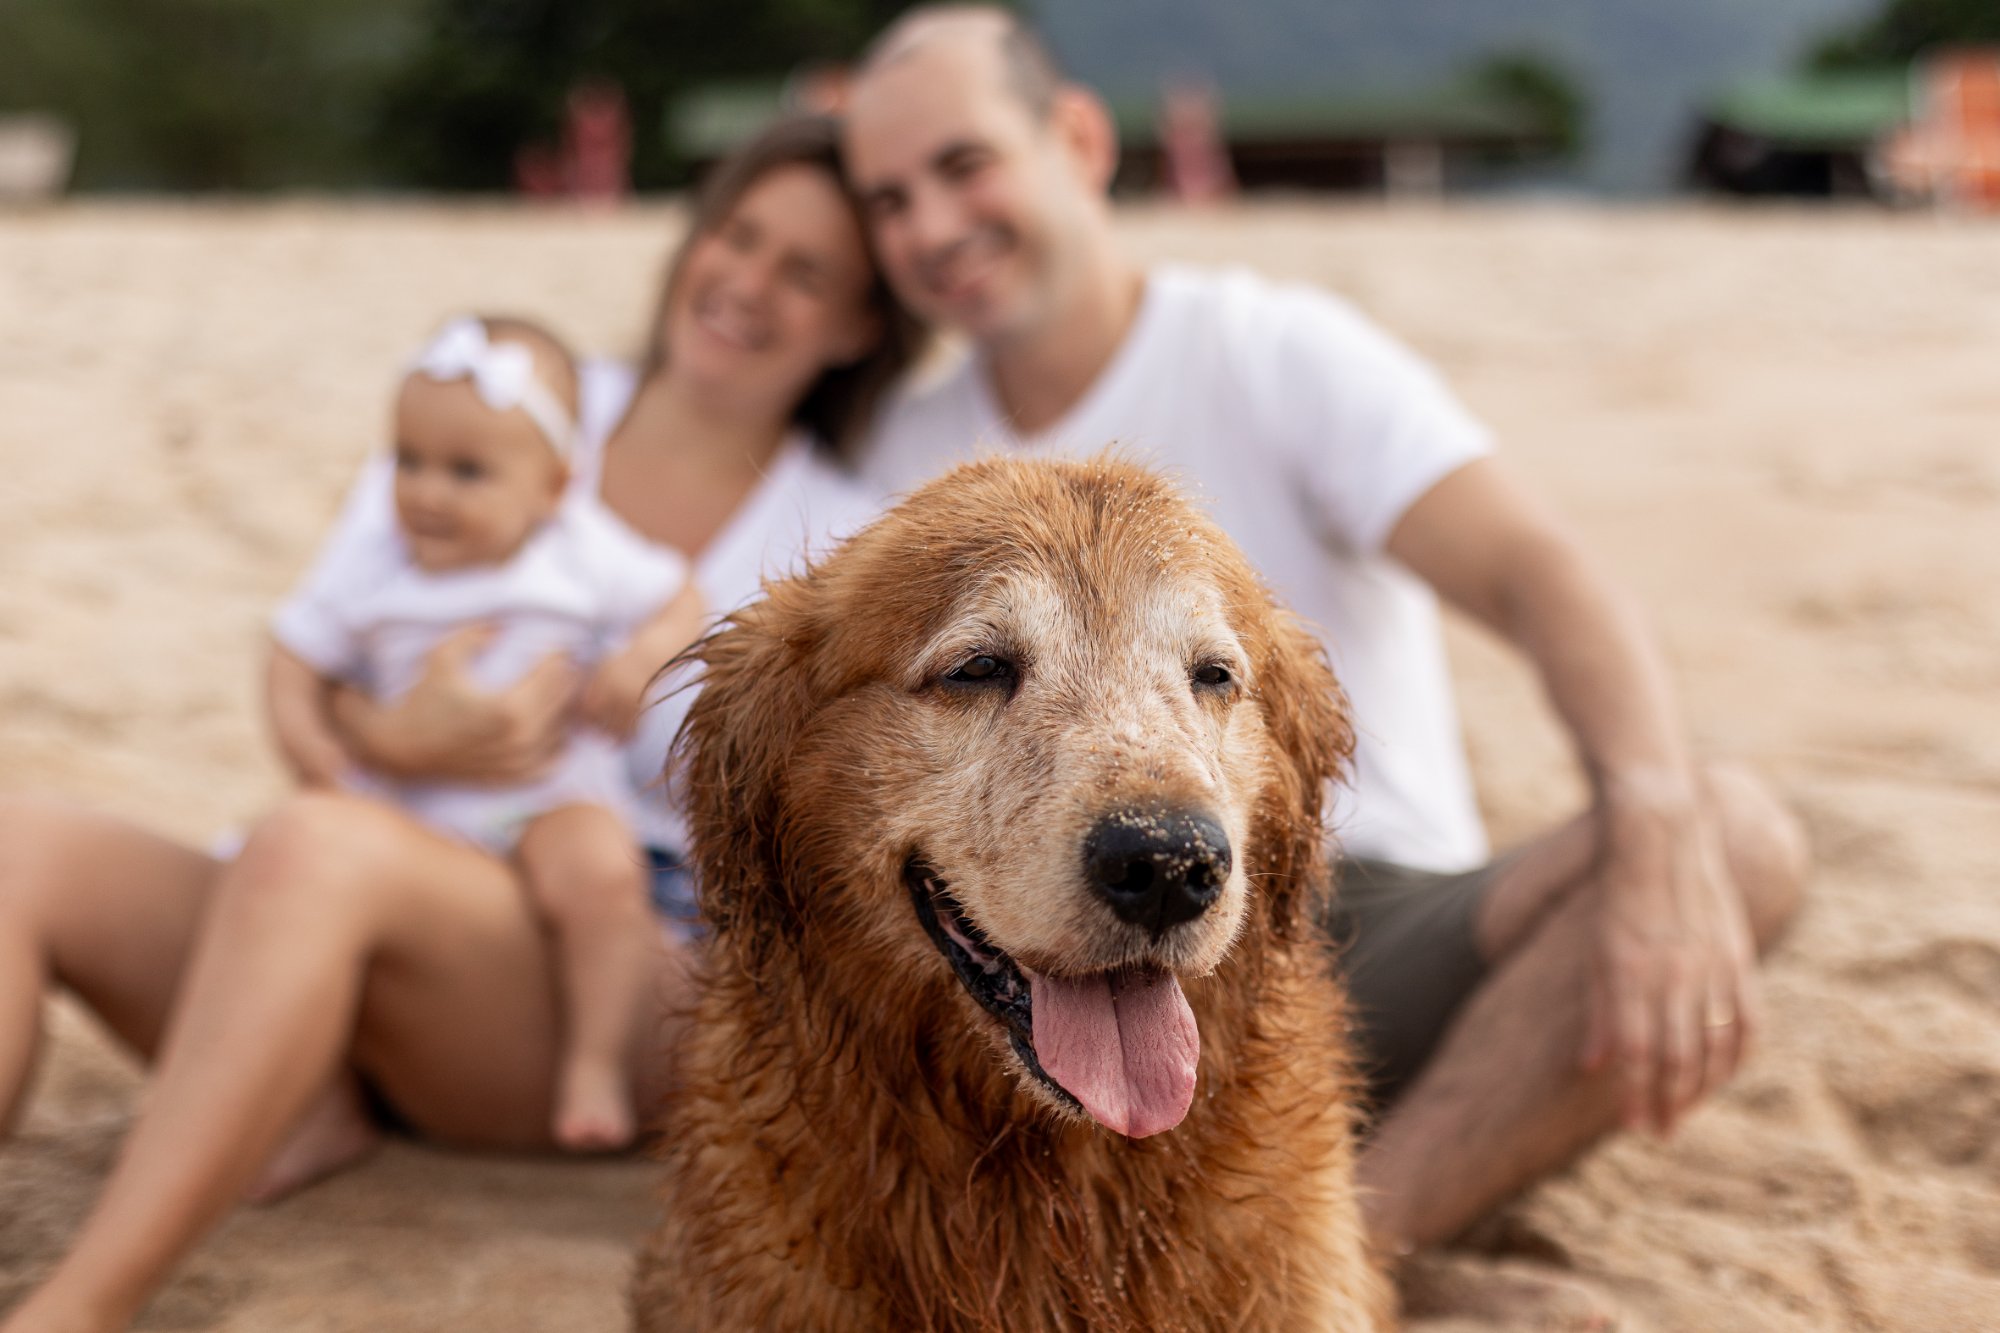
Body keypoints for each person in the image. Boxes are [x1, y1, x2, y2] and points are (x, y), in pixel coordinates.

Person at [839, 5, 1811, 1266]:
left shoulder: (1269, 350)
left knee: (1736, 838)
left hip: (1355, 913)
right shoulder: (899, 463)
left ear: (1076, 138)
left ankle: (1335, 1261)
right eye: (888, 199)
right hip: (1018, 915)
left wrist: (1654, 823)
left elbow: (1539, 574)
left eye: (962, 165)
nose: (928, 226)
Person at [0, 114, 919, 1333]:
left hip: (605, 953)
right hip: (347, 888)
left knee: (315, 848)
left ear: (858, 325)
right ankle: (302, 1091)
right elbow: (329, 640)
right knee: (24, 844)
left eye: (804, 273)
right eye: (736, 235)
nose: (746, 283)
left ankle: (75, 1310)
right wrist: (390, 739)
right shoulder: (507, 392)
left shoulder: (845, 539)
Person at [267, 313, 701, 1152]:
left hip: (547, 797)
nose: (427, 491)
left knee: (605, 884)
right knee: (312, 919)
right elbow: (293, 653)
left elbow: (679, 592)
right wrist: (313, 749)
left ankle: (592, 1060)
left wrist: (640, 656)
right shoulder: (377, 566)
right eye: (409, 460)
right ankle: (316, 1099)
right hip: (412, 814)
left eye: (467, 471)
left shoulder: (577, 550)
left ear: (551, 486)